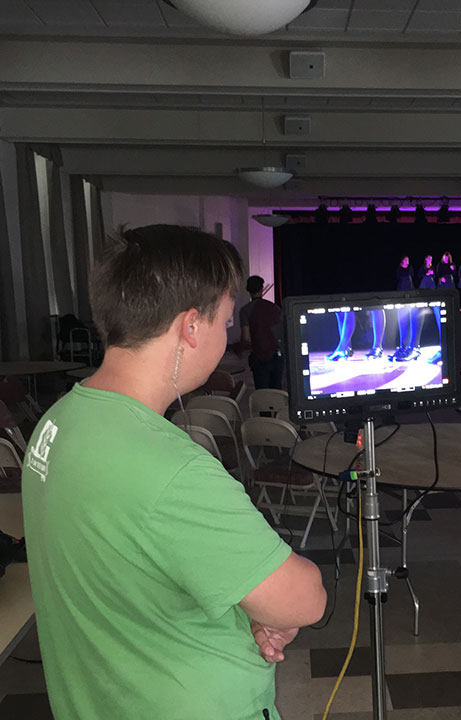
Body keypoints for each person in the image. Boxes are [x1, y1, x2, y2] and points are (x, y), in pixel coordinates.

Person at [22, 225, 326, 720]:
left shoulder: (57, 422)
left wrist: (253, 606)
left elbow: (131, 568)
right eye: (225, 322)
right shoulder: (171, 469)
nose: (227, 337)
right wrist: (275, 605)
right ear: (190, 327)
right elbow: (305, 600)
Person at [239, 275, 284, 389]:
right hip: (277, 355)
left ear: (248, 290)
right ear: (262, 289)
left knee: (262, 393)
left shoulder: (245, 311)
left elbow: (246, 338)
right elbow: (281, 334)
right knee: (277, 390)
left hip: (259, 357)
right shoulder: (275, 308)